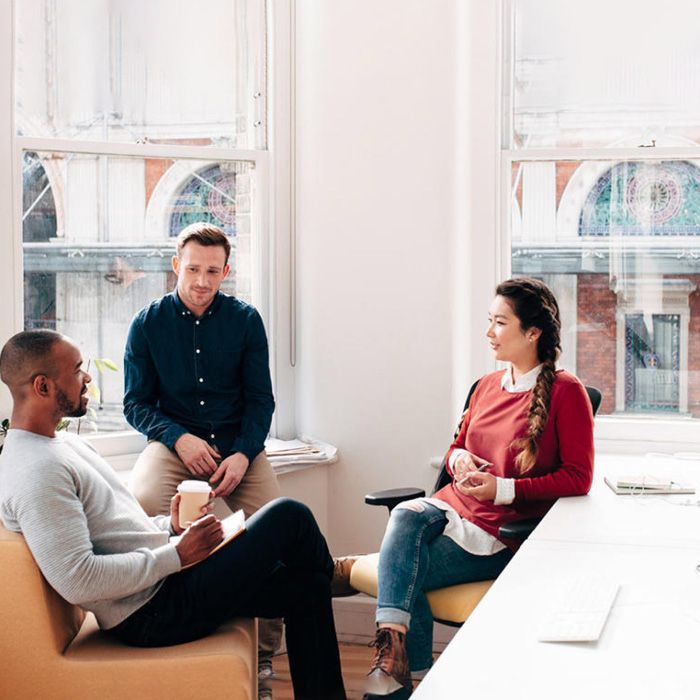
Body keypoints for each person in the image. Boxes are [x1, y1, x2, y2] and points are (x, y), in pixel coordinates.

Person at [0, 330, 346, 700]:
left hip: (164, 585)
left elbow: (118, 532)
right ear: (42, 386)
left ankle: (328, 586)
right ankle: (342, 574)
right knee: (287, 515)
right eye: (77, 370)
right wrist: (178, 554)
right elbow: (78, 580)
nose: (87, 378)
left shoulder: (62, 444)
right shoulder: (37, 470)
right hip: (148, 614)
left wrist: (172, 528)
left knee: (308, 589)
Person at [362, 278, 595, 699]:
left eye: (500, 323)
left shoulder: (567, 392)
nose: (489, 332)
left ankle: (396, 683)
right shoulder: (486, 385)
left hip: (498, 532)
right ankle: (405, 674)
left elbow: (579, 478)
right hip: (450, 509)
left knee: (397, 572)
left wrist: (502, 490)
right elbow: (455, 447)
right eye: (489, 321)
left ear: (533, 332)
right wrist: (459, 461)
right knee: (404, 514)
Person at [122, 221, 283, 683]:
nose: (201, 281)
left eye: (213, 271)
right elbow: (135, 403)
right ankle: (160, 622)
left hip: (238, 446)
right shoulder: (147, 323)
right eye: (193, 268)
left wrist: (244, 454)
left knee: (274, 524)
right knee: (143, 505)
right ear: (176, 265)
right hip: (175, 442)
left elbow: (260, 400)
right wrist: (178, 438)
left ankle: (266, 652)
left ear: (225, 271)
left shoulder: (246, 320)